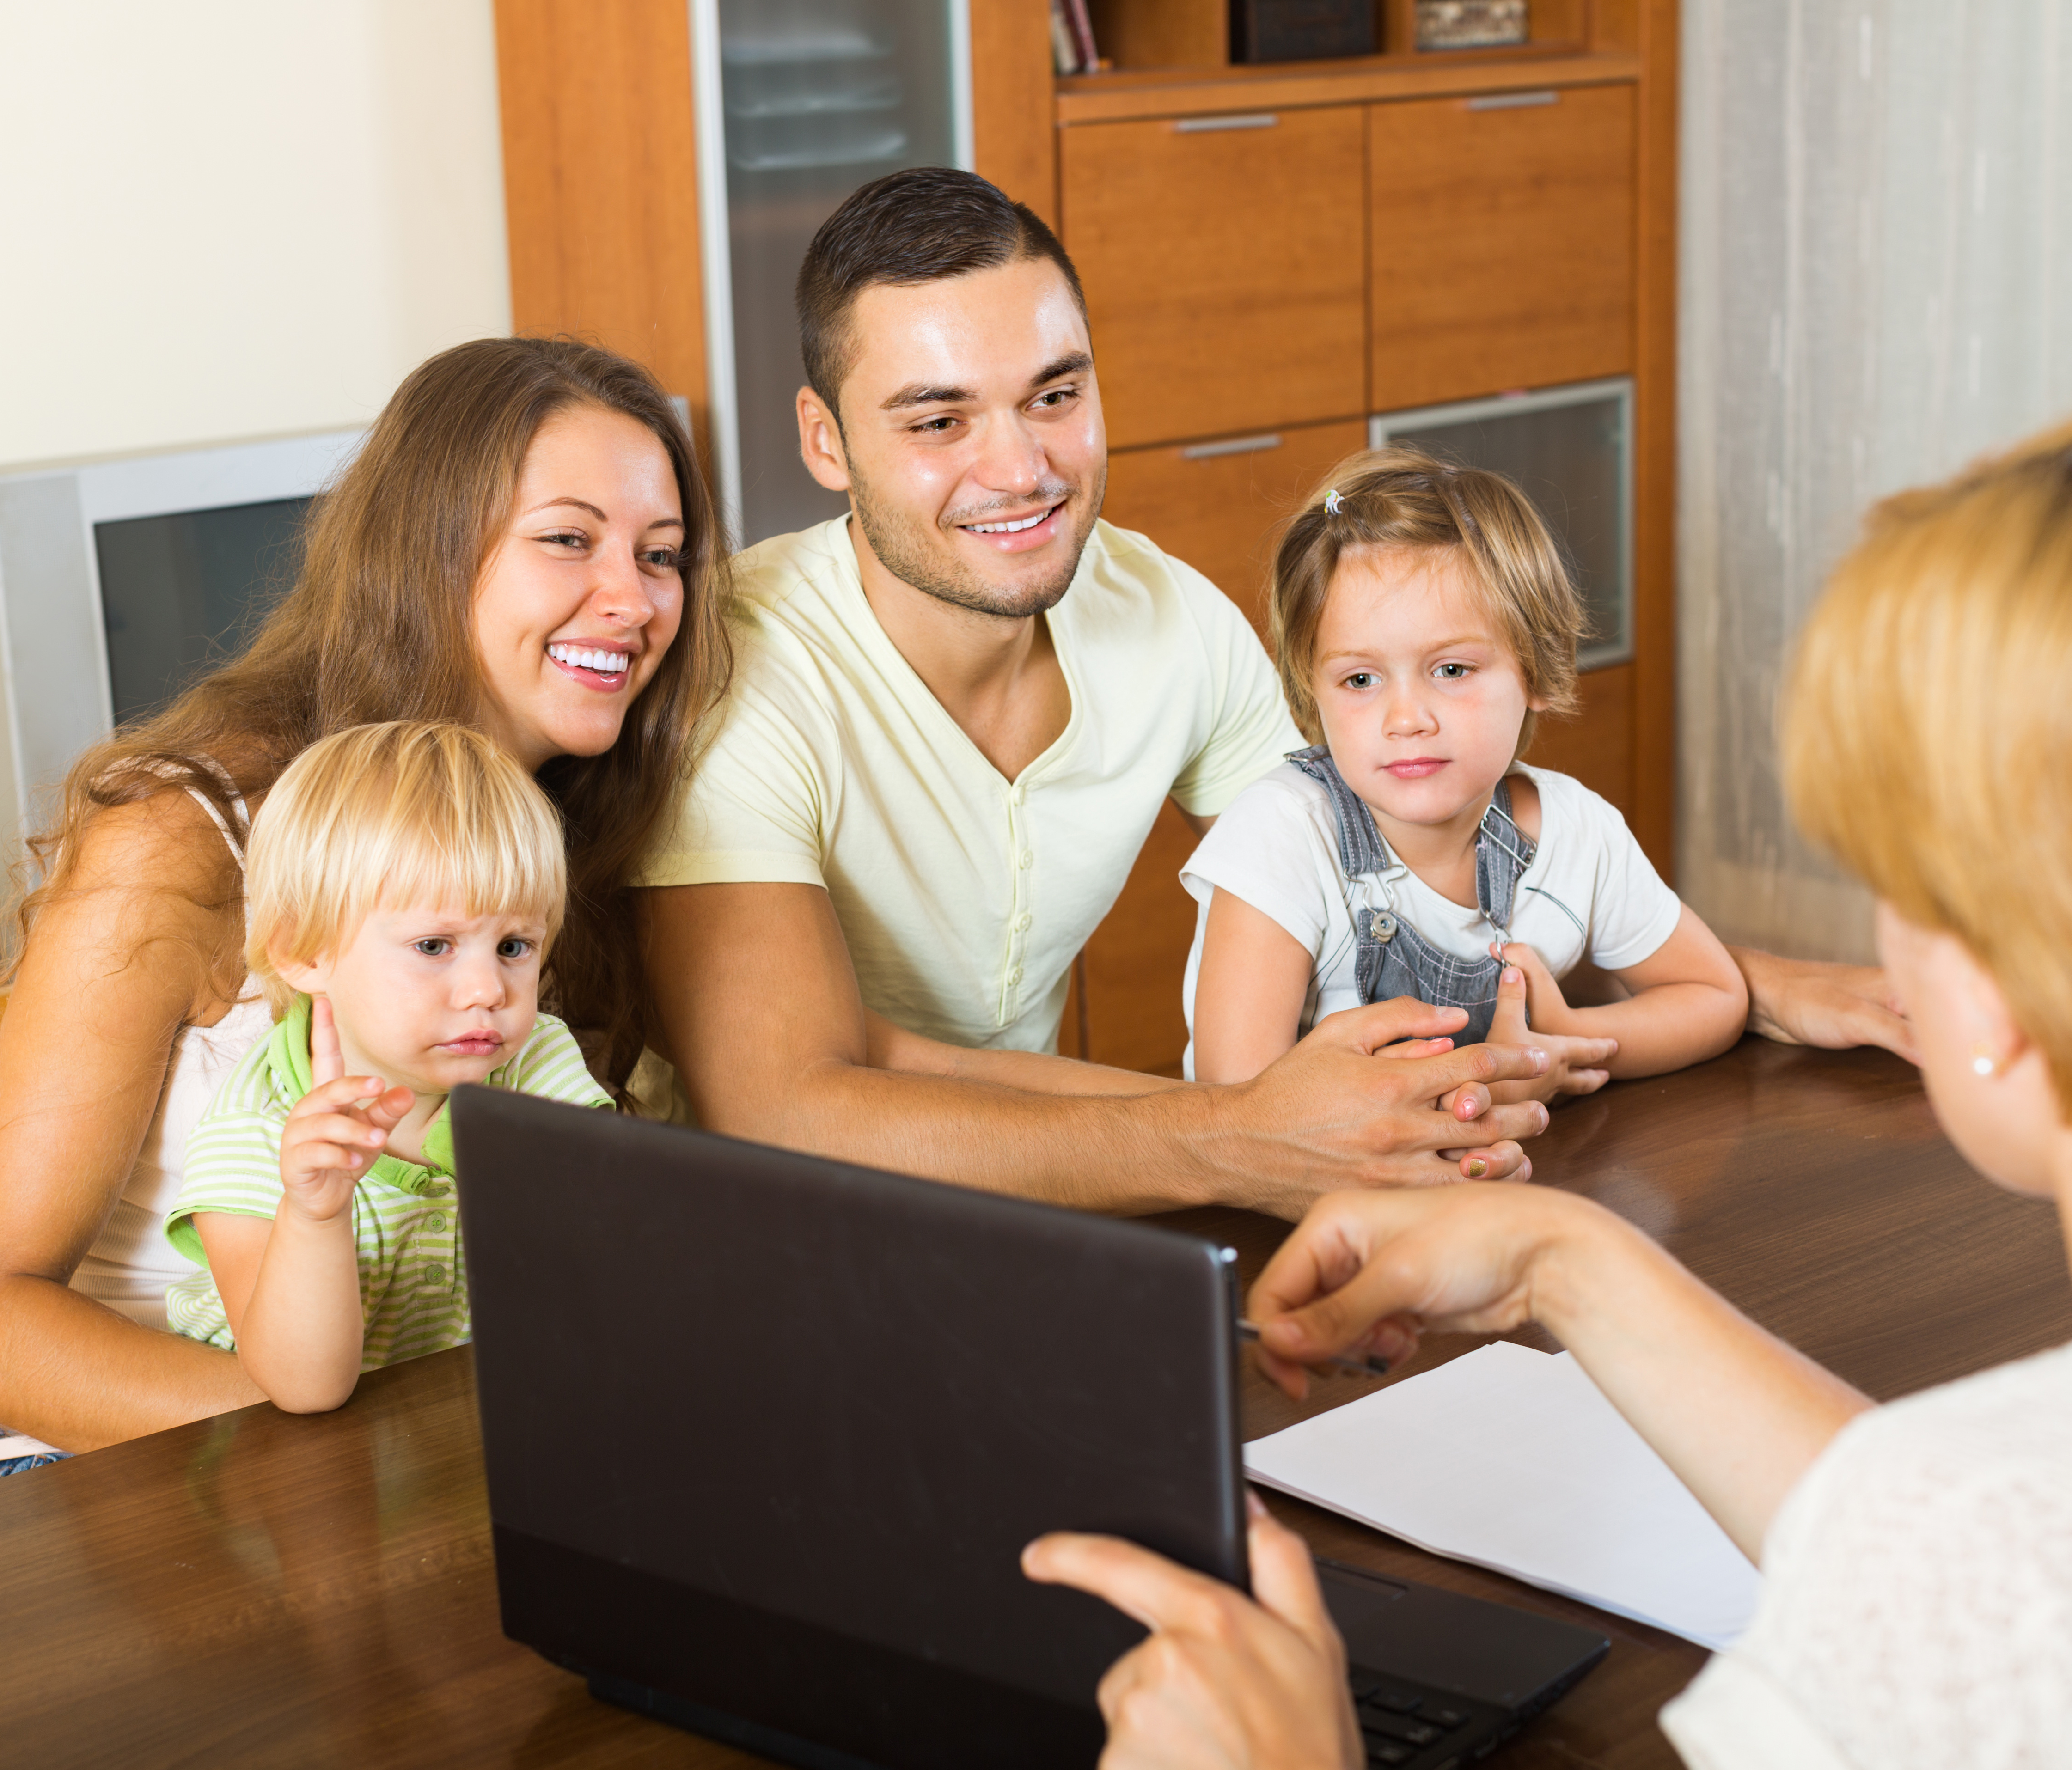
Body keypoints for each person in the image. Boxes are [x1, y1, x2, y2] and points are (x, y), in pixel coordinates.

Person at [1023, 369, 2072, 1767]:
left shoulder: (1984, 1589)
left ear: (1997, 993)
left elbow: (1965, 1586)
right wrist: (1565, 1260)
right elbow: (1925, 1528)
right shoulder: (2027, 1530)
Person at [639, 165, 1893, 1216]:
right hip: (733, 1231)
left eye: (1055, 396)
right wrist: (1235, 1133)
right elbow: (783, 1106)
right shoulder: (743, 670)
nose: (1018, 468)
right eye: (938, 422)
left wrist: (1745, 987)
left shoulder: (1166, 618)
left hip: (1015, 1208)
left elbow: (1394, 836)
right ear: (824, 441)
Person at [0, 336, 730, 1466]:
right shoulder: (182, 839)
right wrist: (340, 1448)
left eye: (663, 556)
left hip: (424, 1434)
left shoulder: (588, 825)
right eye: (567, 540)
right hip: (156, 1450)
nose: (634, 601)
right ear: (429, 556)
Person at [1182, 451, 1746, 1096]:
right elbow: (1240, 1103)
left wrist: (1563, 1045)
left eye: (1451, 669)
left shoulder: (1579, 832)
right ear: (1311, 694)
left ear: (1535, 667)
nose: (1406, 718)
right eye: (1360, 679)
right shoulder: (1282, 832)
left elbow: (1711, 994)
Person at [164, 722, 610, 1413]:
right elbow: (306, 1391)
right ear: (306, 954)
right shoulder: (258, 1129)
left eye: (515, 946)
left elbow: (600, 1285)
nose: (488, 989)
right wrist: (315, 1213)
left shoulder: (536, 1061)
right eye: (435, 944)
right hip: (285, 1463)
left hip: (454, 1431)